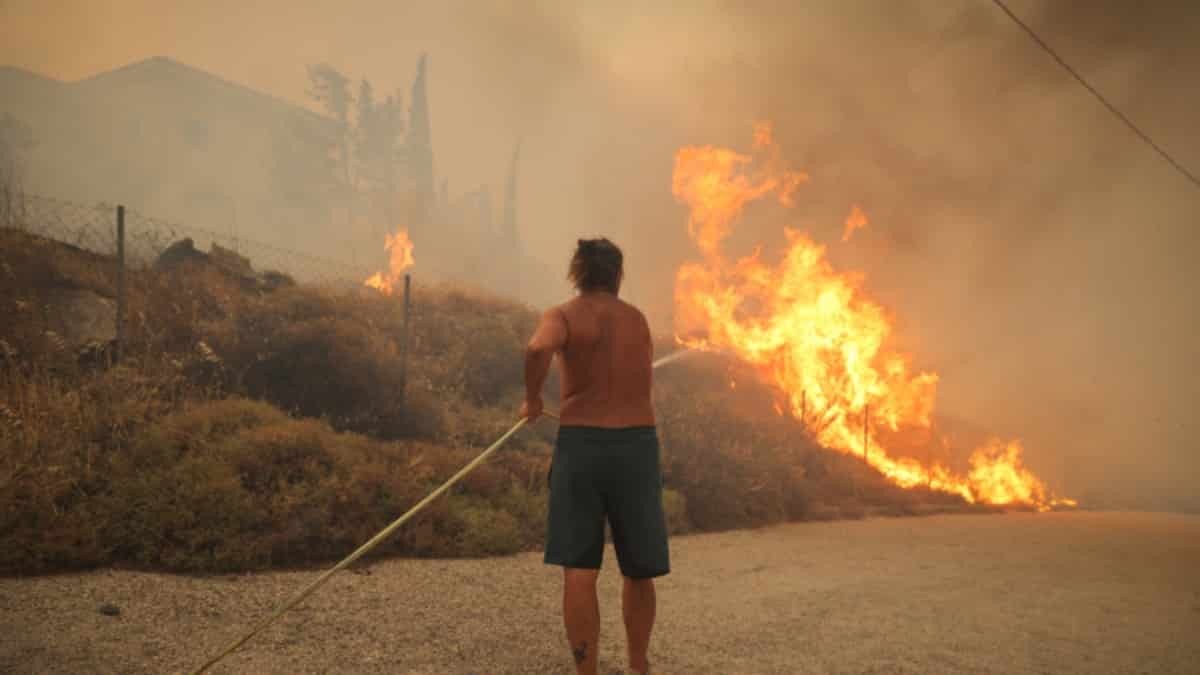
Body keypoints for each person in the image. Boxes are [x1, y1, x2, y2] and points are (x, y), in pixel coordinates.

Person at [521, 237, 669, 675]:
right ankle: (638, 667)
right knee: (639, 569)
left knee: (580, 570)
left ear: (577, 272)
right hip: (637, 447)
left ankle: (588, 672)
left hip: (583, 445)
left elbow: (536, 349)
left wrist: (531, 399)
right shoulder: (638, 320)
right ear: (617, 274)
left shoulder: (564, 315)